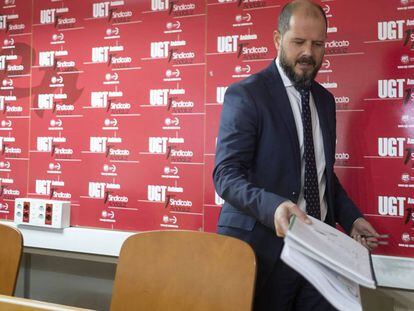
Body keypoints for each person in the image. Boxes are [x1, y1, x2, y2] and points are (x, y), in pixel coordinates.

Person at [213, 0, 379, 310]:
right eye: (298, 42)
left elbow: (320, 175)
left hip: (320, 256)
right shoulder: (247, 95)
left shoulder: (325, 101)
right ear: (278, 40)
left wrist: (351, 218)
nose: (309, 53)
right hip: (262, 253)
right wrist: (275, 206)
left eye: (318, 44)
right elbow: (226, 176)